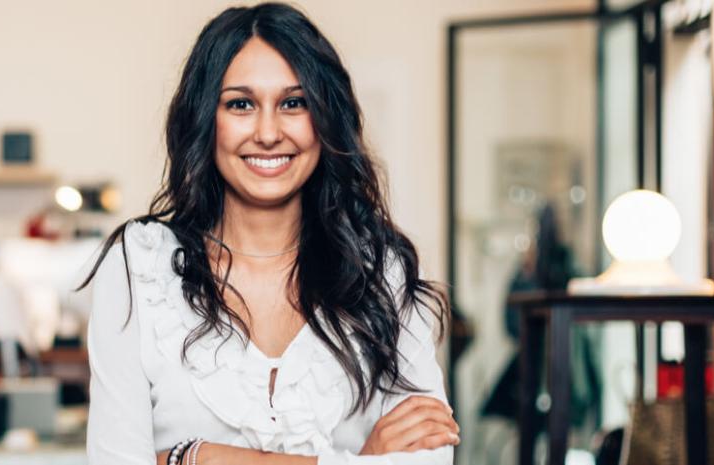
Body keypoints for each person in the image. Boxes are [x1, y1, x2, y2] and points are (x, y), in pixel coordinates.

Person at [80, 4, 458, 465]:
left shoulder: (380, 270)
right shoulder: (138, 267)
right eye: (240, 104)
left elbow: (430, 457)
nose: (267, 132)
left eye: (293, 103)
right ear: (205, 118)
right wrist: (361, 458)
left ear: (324, 118)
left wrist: (195, 458)